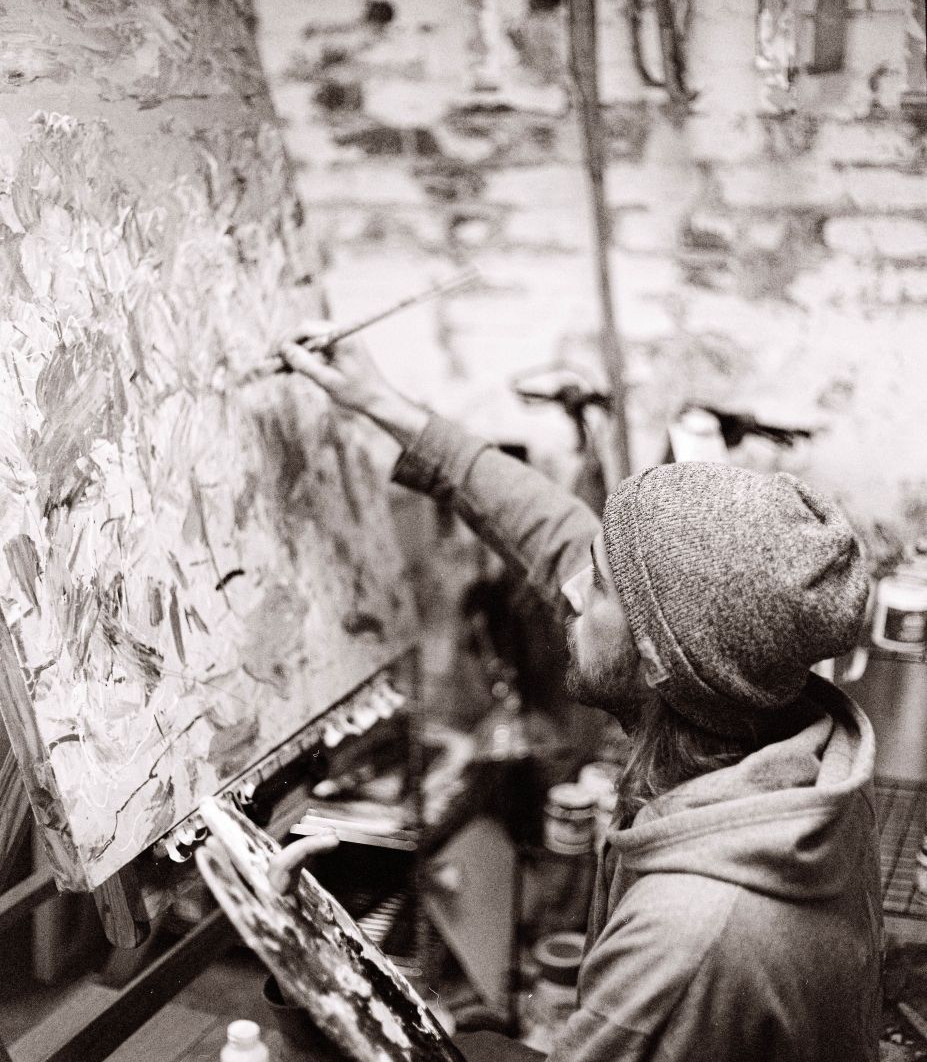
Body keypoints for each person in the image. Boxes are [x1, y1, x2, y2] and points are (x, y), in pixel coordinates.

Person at [272, 331, 882, 1062]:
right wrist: (383, 404)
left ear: (654, 657)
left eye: (597, 587)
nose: (569, 590)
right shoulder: (769, 727)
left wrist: (315, 968)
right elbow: (554, 531)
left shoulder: (685, 939)